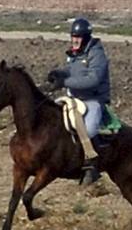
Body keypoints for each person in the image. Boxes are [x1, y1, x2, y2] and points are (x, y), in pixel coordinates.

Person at [45, 17, 111, 185]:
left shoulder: (97, 54)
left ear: (86, 38)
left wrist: (64, 82)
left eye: (78, 37)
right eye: (73, 36)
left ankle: (92, 165)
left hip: (92, 99)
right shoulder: (75, 54)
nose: (74, 40)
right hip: (73, 98)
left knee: (88, 129)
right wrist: (59, 73)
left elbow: (93, 79)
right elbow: (72, 70)